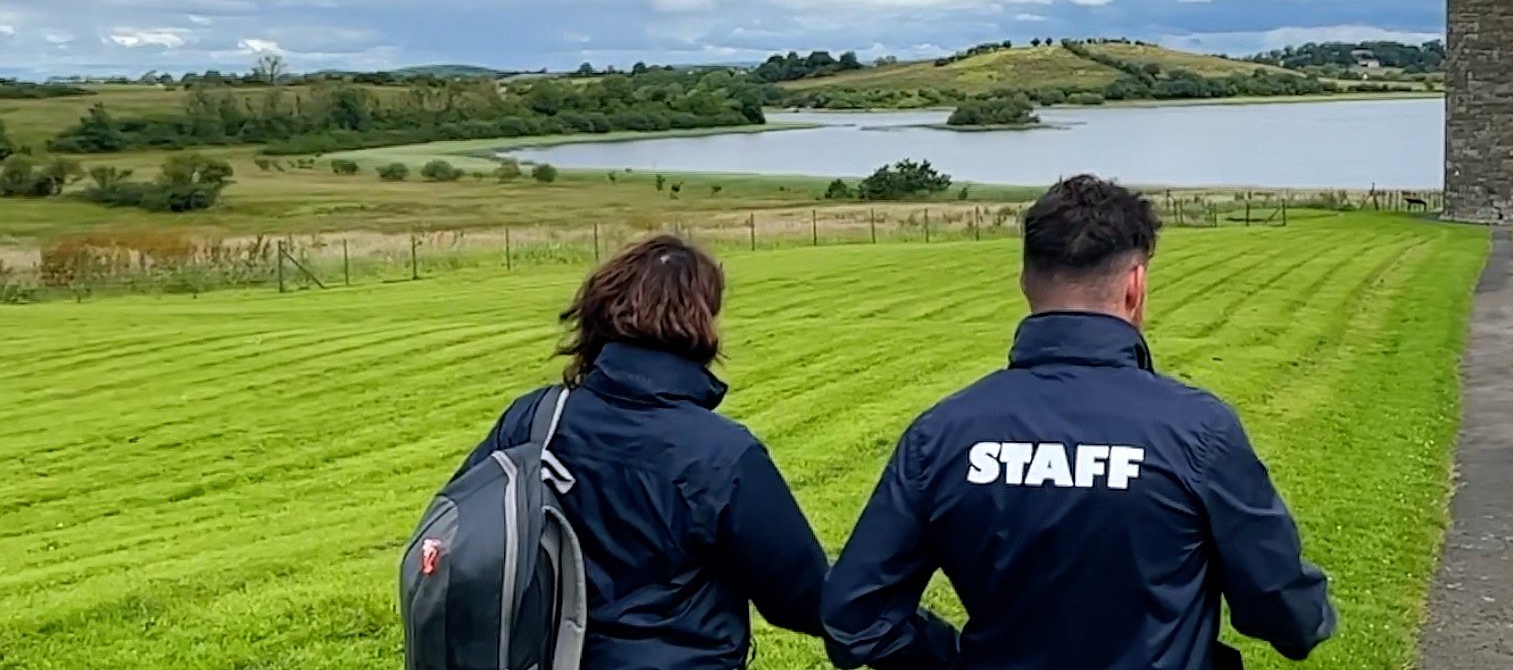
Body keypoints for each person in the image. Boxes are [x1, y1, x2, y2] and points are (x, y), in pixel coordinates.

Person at [821, 175, 1337, 669]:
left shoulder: (942, 434)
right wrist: (1309, 614)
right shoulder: (1196, 431)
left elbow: (856, 613)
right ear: (1135, 286)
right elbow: (1283, 609)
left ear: (1025, 281)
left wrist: (950, 659)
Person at [456, 234, 956, 670]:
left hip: (541, 658)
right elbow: (804, 596)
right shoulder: (721, 454)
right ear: (702, 322)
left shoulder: (534, 418)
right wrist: (931, 647)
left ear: (599, 310)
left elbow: (460, 532)